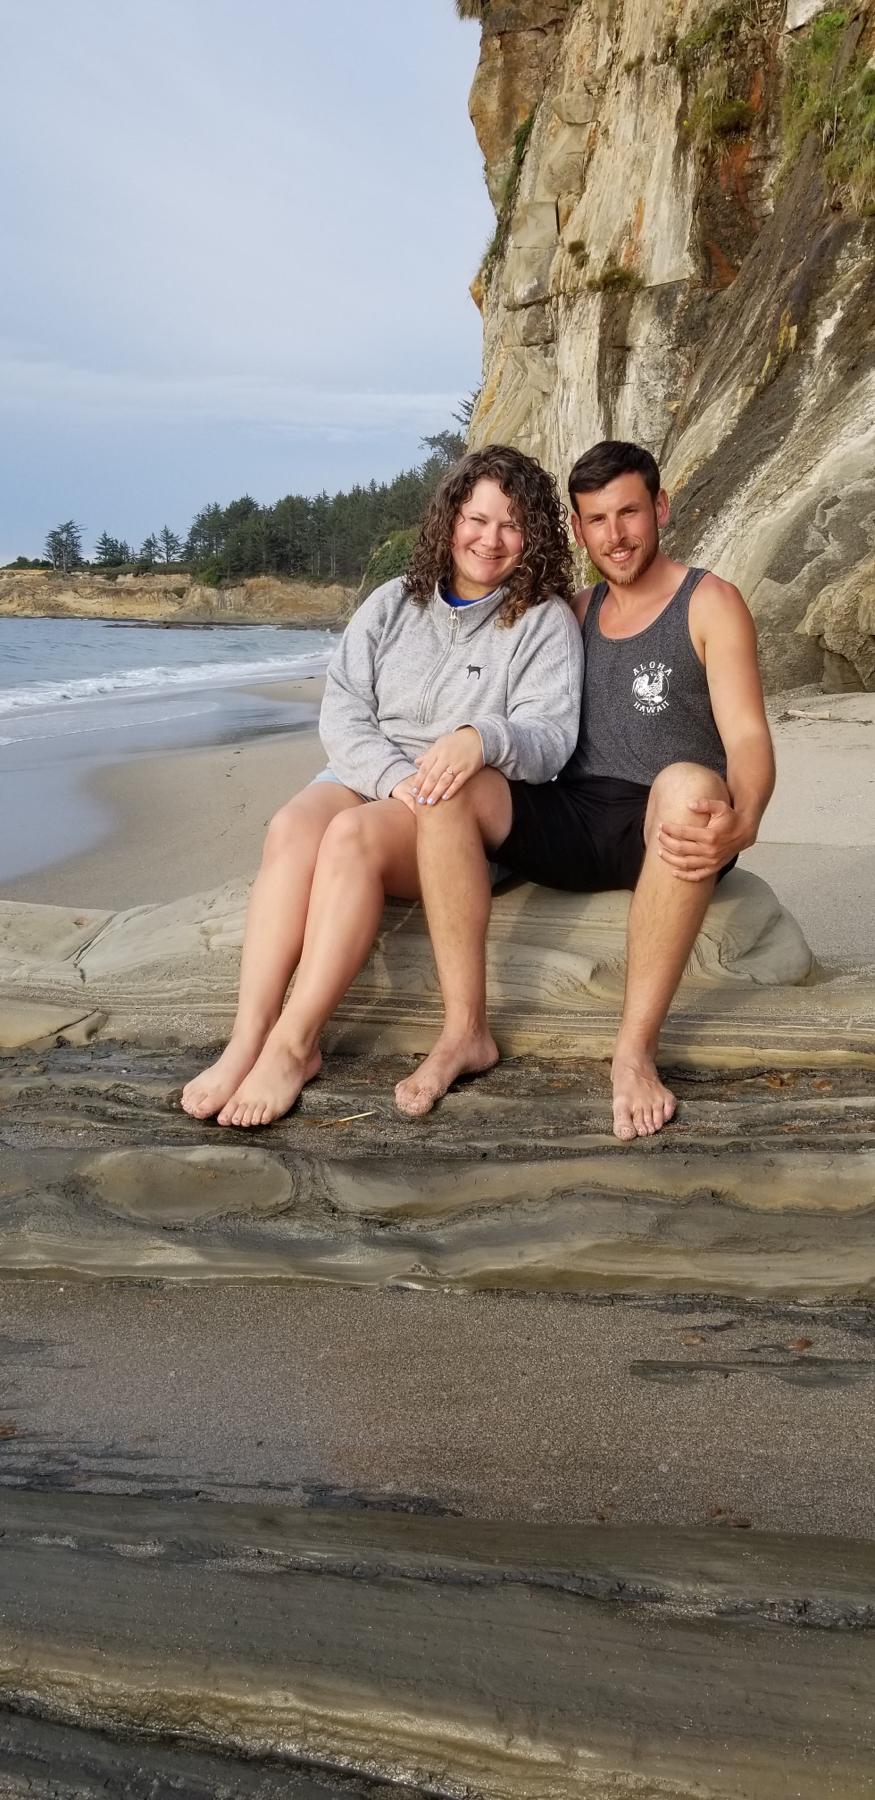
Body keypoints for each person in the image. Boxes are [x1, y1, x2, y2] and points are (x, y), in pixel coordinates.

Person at [180, 444, 583, 1128]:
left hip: (451, 807)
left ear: (534, 536)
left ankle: (294, 1045)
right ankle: (247, 1037)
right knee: (290, 827)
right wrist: (393, 779)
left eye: (511, 525)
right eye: (477, 519)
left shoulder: (542, 620)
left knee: (350, 837)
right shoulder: (393, 601)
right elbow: (342, 714)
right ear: (450, 519)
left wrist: (483, 737)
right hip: (374, 775)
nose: (490, 540)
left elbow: (549, 741)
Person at [396, 439, 775, 1140]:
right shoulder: (572, 611)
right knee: (451, 787)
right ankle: (464, 1031)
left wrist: (744, 818)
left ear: (660, 508)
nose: (615, 535)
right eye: (597, 519)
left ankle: (633, 1053)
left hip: (665, 821)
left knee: (687, 781)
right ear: (577, 528)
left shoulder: (709, 602)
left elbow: (748, 736)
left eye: (629, 512)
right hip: (574, 814)